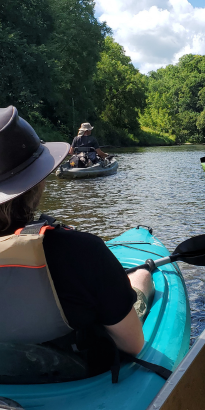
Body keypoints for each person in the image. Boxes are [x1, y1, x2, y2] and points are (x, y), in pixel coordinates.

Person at [0, 106, 154, 381]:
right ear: (38, 184)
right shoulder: (81, 250)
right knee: (141, 275)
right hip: (74, 371)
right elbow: (133, 345)